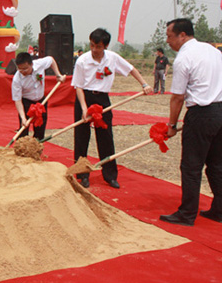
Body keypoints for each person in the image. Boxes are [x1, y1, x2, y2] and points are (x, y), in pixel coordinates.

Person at [71, 28, 152, 189]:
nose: (94, 49)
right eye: (92, 45)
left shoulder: (112, 58)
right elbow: (78, 86)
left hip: (102, 99)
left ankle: (110, 175)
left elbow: (131, 69)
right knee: (81, 137)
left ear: (106, 46)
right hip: (85, 98)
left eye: (98, 46)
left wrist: (144, 84)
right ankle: (82, 175)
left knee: (106, 137)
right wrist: (84, 109)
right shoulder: (82, 60)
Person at [160, 18, 222, 226]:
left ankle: (186, 214)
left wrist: (171, 126)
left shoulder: (184, 58)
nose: (168, 41)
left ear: (182, 35)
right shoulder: (213, 51)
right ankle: (219, 210)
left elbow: (177, 97)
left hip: (201, 113)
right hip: (220, 111)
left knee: (191, 167)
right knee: (216, 164)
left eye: (170, 36)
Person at [11, 52, 66, 140]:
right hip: (26, 103)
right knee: (23, 130)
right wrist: (23, 117)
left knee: (40, 128)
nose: (22, 72)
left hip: (41, 101)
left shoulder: (39, 64)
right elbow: (17, 100)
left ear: (31, 64)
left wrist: (58, 75)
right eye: (19, 69)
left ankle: (37, 145)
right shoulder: (17, 79)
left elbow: (51, 60)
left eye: (25, 69)